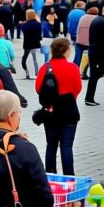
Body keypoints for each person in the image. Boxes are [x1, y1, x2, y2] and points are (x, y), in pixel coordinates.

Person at [33, 37, 82, 175]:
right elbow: (77, 88)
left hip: (50, 110)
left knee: (51, 145)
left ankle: (50, 174)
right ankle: (69, 176)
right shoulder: (73, 67)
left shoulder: (45, 68)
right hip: (69, 110)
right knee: (67, 146)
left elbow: (38, 88)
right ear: (66, 51)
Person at [84, 5, 104, 106]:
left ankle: (89, 97)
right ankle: (89, 98)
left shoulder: (96, 19)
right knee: (97, 73)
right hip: (101, 52)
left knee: (95, 74)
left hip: (94, 50)